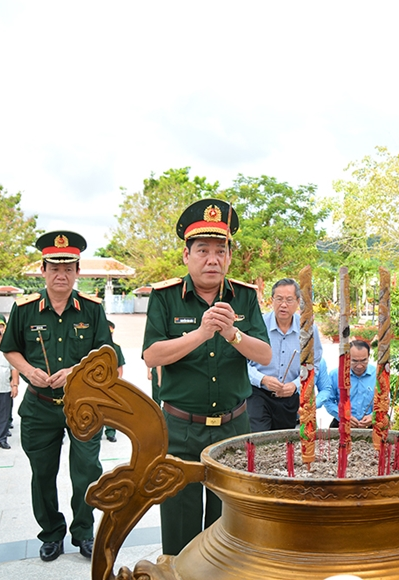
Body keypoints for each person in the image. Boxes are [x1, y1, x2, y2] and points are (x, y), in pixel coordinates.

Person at [142, 198, 271, 556]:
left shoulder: (244, 297)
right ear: (187, 255)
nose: (212, 259)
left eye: (220, 251)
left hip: (234, 427)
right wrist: (201, 334)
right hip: (180, 429)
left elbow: (265, 355)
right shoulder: (165, 297)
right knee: (180, 529)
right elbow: (152, 355)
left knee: (228, 529)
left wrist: (233, 334)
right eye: (203, 250)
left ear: (228, 257)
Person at [0, 230, 113, 561]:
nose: (61, 275)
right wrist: (27, 370)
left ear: (77, 272)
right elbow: (10, 348)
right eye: (54, 268)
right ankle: (51, 533)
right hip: (39, 405)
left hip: (83, 405)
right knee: (42, 474)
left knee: (87, 472)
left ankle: (84, 532)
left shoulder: (92, 309)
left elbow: (105, 354)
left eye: (68, 268)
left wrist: (76, 371)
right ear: (43, 270)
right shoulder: (25, 309)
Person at [247, 278, 322, 432]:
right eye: (279, 299)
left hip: (291, 395)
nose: (283, 305)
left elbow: (314, 365)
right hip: (259, 392)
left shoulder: (308, 329)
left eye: (289, 300)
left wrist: (295, 385)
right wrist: (263, 379)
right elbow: (242, 362)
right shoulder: (257, 325)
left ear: (298, 302)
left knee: (284, 440)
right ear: (272, 300)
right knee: (259, 438)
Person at [317, 340, 377, 428]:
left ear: (369, 356)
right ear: (347, 358)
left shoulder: (378, 375)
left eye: (363, 360)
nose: (359, 366)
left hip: (371, 426)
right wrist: (342, 415)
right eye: (354, 361)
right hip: (341, 423)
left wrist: (373, 416)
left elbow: (385, 399)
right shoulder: (335, 375)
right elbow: (328, 401)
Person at [103, 319, 125, 443]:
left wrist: (117, 382)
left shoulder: (116, 348)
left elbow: (119, 367)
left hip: (110, 383)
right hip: (93, 383)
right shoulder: (94, 348)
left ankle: (110, 432)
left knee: (110, 409)